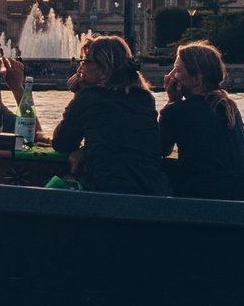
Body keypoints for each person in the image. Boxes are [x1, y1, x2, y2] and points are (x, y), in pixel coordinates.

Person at [51, 35, 171, 196]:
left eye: (85, 62)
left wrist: (79, 94)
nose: (80, 68)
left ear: (103, 69)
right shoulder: (144, 98)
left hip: (107, 192)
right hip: (153, 192)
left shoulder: (89, 97)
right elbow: (126, 139)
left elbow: (62, 142)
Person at [159, 40, 244, 201]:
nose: (170, 75)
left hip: (209, 201)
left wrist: (172, 102)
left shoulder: (176, 111)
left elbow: (158, 150)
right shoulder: (229, 107)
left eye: (177, 70)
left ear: (196, 80)